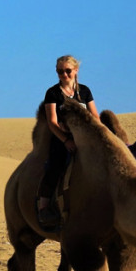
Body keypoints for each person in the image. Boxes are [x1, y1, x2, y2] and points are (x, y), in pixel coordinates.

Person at [37, 55, 98, 228]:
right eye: (60, 71)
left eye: (67, 71)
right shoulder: (53, 93)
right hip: (62, 140)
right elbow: (52, 122)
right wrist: (65, 141)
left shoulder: (84, 91)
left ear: (76, 70)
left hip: (86, 139)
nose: (64, 74)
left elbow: (95, 117)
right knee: (55, 166)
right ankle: (44, 207)